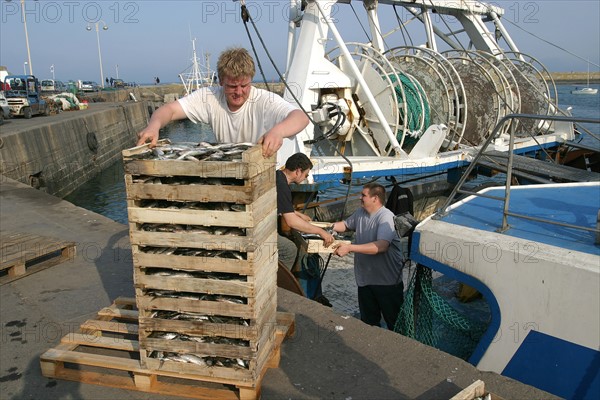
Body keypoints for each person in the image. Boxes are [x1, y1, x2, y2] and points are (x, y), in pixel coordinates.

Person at [137, 47, 309, 158]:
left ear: (251, 80)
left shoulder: (264, 100)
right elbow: (170, 110)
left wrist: (278, 131)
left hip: (262, 170)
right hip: (228, 167)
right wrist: (154, 125)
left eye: (244, 85)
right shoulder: (209, 96)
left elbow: (300, 117)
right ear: (220, 81)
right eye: (232, 86)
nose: (239, 92)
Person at [331, 183, 404, 329]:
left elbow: (382, 246)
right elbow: (345, 225)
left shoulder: (386, 217)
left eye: (363, 195)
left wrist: (349, 247)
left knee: (395, 324)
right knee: (369, 322)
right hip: (365, 280)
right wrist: (323, 227)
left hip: (387, 283)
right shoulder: (361, 213)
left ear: (375, 198)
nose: (360, 198)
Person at [277, 153, 334, 270]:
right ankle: (276, 283)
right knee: (289, 249)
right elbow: (291, 222)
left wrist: (297, 214)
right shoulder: (282, 186)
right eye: (306, 174)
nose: (306, 178)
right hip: (258, 232)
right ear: (298, 171)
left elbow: (279, 204)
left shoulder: (278, 176)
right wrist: (320, 232)